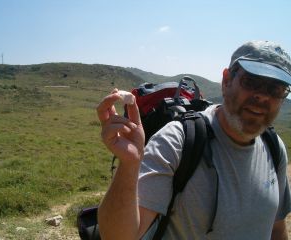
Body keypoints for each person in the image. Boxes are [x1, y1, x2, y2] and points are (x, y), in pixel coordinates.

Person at [96, 40, 291, 239]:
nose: (262, 96)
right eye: (251, 81)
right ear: (226, 81)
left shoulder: (274, 147)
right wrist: (129, 164)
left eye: (276, 89)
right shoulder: (176, 141)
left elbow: (276, 229)